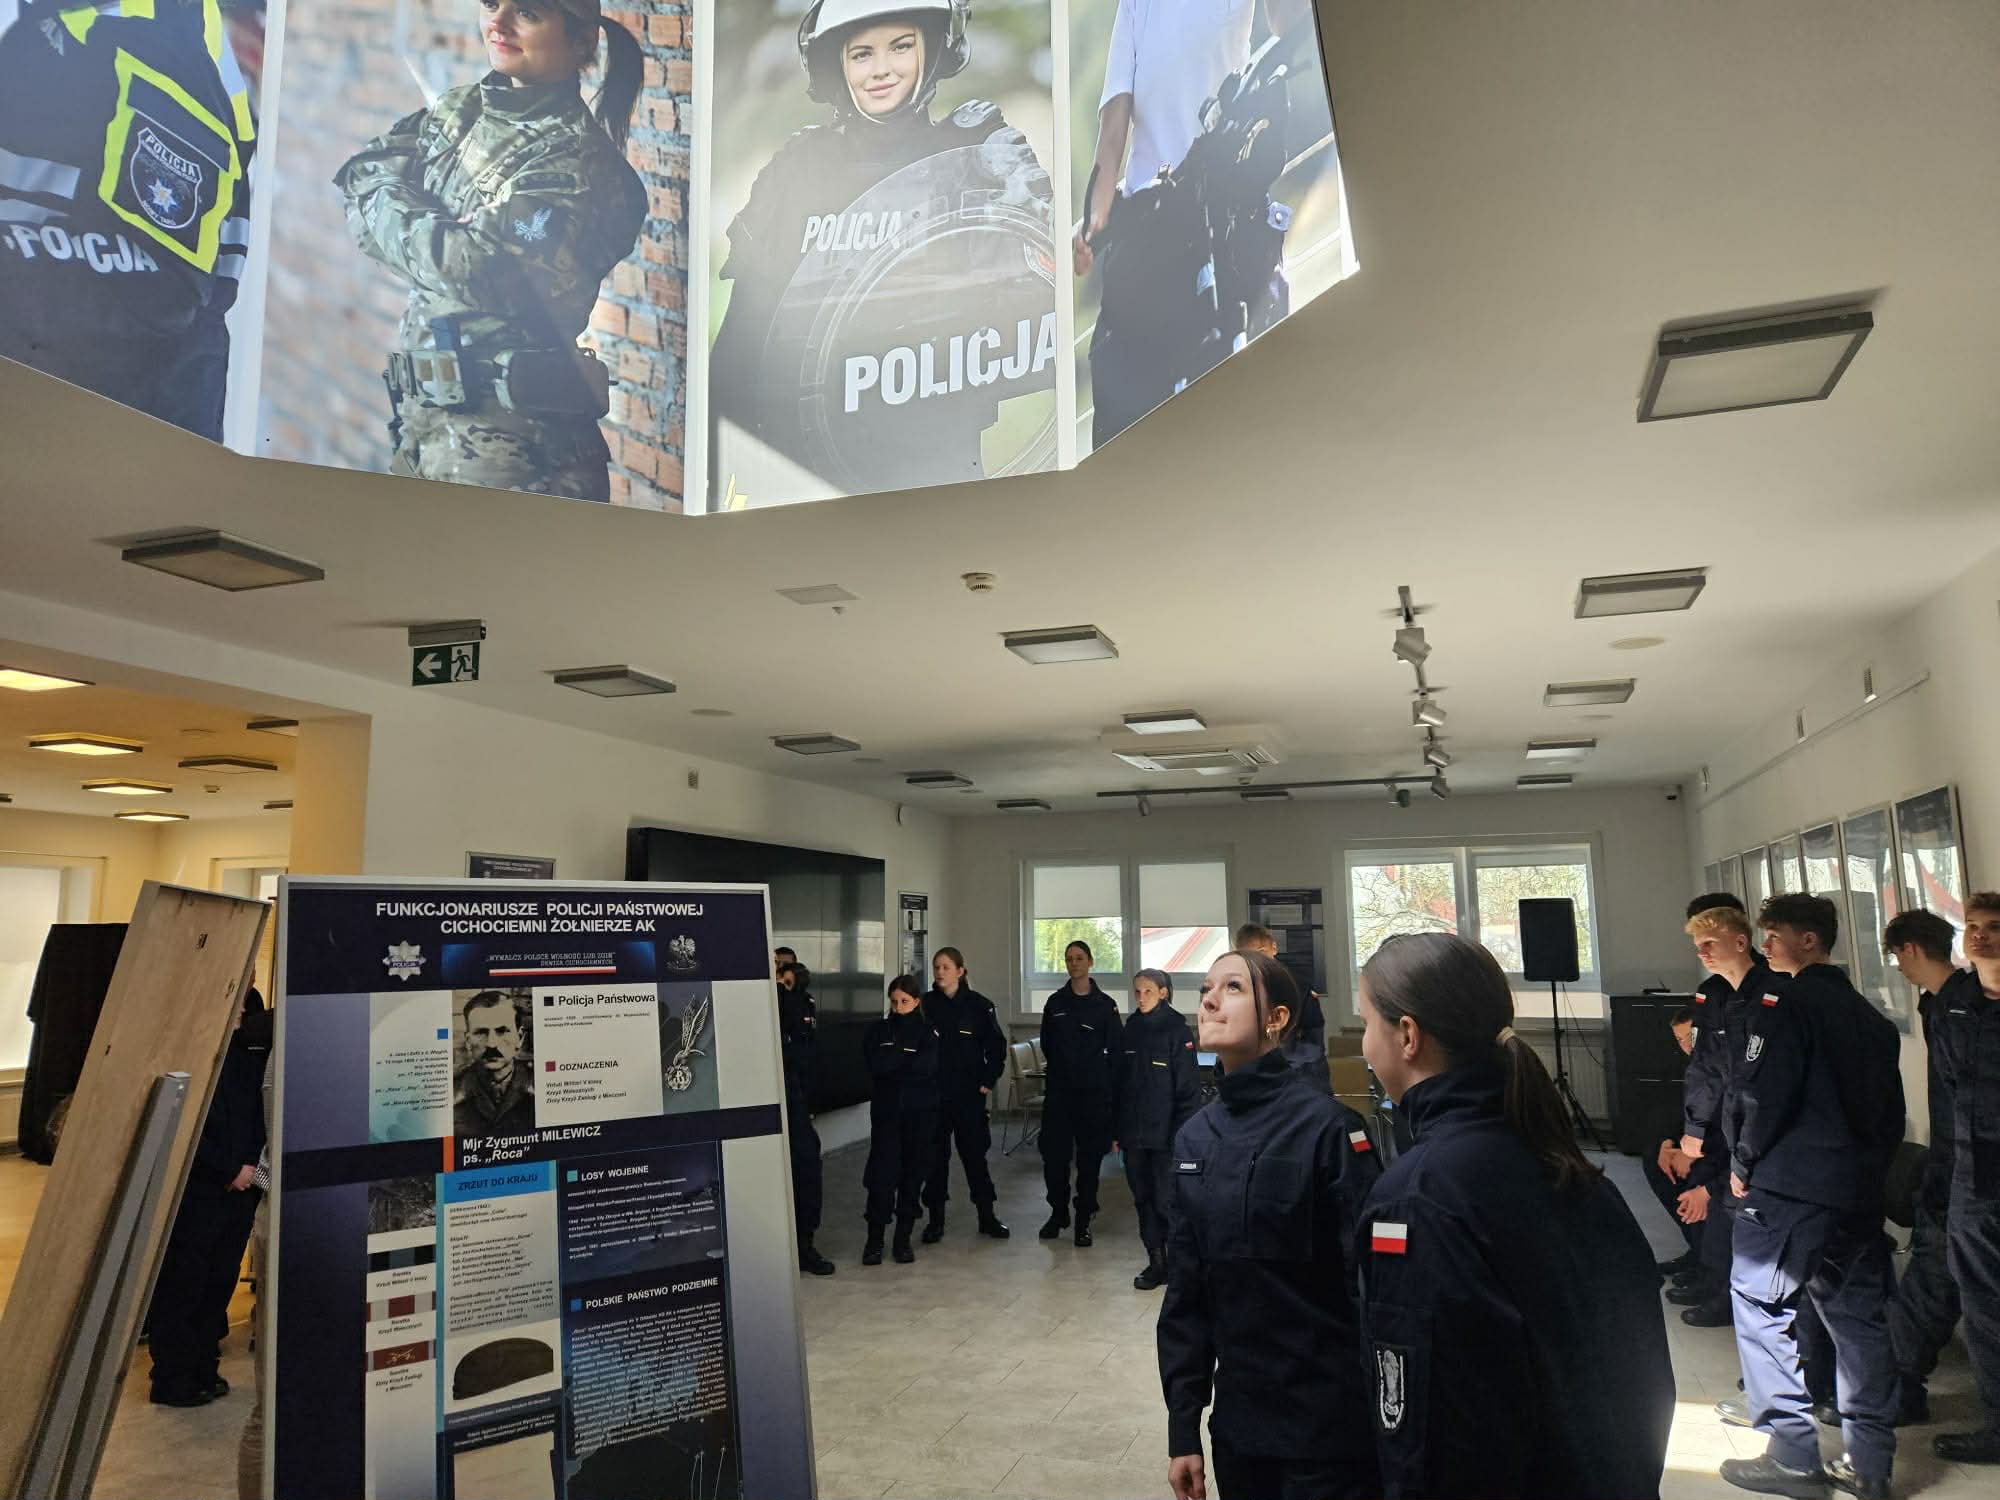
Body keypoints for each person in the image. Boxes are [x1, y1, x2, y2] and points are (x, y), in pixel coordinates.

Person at [1354, 933, 1674, 1499]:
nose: (1364, 1046)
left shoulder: (1416, 1200)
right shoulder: (1567, 1165)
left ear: (1407, 1035)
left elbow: (1432, 1430)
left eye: (1366, 1025)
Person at [708, 0, 1056, 499]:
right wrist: (717, 466)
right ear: (836, 64)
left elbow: (1031, 304)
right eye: (861, 54)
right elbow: (743, 333)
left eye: (901, 46)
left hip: (935, 471)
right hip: (801, 472)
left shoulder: (973, 155)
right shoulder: (797, 169)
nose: (881, 69)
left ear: (933, 49)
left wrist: (1020, 203)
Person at [335, 0, 647, 501]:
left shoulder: (579, 161)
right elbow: (359, 176)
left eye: (527, 13)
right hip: (422, 431)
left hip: (515, 452)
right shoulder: (459, 110)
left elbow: (473, 268)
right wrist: (434, 230)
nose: (497, 24)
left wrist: (400, 206)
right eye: (490, 4)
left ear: (582, 41)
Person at [1158, 950, 1378, 1499]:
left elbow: (1373, 1292)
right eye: (1206, 989)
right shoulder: (1195, 1139)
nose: (1209, 1001)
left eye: (1232, 987)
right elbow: (1187, 1293)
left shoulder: (1329, 1130)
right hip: (1241, 1430)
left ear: (1277, 1018)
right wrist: (1183, 1428)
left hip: (1328, 1432)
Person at [0, 0, 257, 439]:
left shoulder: (160, 36)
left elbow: (164, 292)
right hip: (100, 430)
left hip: (100, 436)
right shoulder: (55, 30)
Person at [1718, 894, 1903, 1500]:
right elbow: (1889, 1114)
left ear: (1809, 941)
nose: (1766, 946)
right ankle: (1870, 1465)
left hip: (1791, 1186)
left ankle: (1793, 1456)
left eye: (1775, 935)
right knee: (1858, 1323)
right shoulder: (1872, 1017)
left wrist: (1742, 1162)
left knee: (1760, 1308)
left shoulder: (1784, 1004)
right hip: (1855, 1190)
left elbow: (1763, 1095)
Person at [1073, 0, 1313, 446]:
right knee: (1127, 414)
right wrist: (1093, 223)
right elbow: (1112, 134)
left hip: (1222, 220)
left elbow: (1289, 22)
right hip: (1149, 237)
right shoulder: (1134, 8)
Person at [151, 986, 270, 1406]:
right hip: (198, 1191)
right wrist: (228, 1169)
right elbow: (184, 1128)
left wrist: (248, 1166)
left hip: (239, 1190)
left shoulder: (246, 1053)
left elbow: (258, 1115)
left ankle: (203, 1367)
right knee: (183, 1284)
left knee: (217, 1283)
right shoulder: (185, 1054)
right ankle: (173, 1378)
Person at [1673, 897, 1777, 1329]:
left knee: (1744, 1211)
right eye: (1698, 946)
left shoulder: (1772, 989)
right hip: (1726, 1117)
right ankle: (1718, 1284)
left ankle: (1741, 1299)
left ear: (1740, 942)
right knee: (1728, 1204)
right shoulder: (1711, 992)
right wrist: (1694, 1127)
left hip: (1762, 1119)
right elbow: (1704, 1065)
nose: (1703, 953)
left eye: (1710, 943)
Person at [1880, 909, 1964, 1426]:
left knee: (1933, 1279)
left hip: (1962, 1171)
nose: (1900, 968)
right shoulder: (1939, 1004)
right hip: (1952, 1164)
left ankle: (1900, 1388)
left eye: (1896, 957)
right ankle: (1900, 1386)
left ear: (1909, 949)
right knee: (1934, 1280)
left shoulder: (1962, 1008)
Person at [1931, 892, 2000, 1464]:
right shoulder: (1956, 1000)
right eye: (1972, 926)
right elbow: (1950, 1082)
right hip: (1974, 1176)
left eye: (1994, 927)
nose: (1979, 936)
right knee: (1983, 1306)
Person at [1114, 967, 1199, 1291]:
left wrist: (1180, 1135)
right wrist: (1117, 1131)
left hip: (1165, 1135)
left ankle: (1179, 1263)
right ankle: (1156, 1261)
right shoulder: (1132, 1028)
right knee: (1143, 1199)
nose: (1141, 997)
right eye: (1137, 991)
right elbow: (1120, 1084)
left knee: (1167, 1201)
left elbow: (1188, 1092)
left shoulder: (1177, 1030)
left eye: (1148, 991)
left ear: (1163, 993)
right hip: (1134, 1134)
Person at [920, 947, 1010, 1243]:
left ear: (960, 971)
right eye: (937, 967)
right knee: (934, 1160)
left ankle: (987, 1216)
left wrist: (988, 1080)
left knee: (974, 1156)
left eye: (946, 967)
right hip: (935, 1095)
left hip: (968, 1095)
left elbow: (995, 1047)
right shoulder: (926, 1005)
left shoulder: (979, 1006)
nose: (940, 972)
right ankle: (935, 1220)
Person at [1038, 939, 1121, 1245]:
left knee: (1089, 1161)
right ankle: (1058, 1212)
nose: (1074, 963)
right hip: (1060, 1094)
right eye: (1069, 958)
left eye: (1079, 958)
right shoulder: (1055, 1003)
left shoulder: (1105, 1005)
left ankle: (1083, 1218)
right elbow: (1047, 1043)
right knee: (1054, 1158)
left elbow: (1115, 1050)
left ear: (1090, 962)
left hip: (1092, 1095)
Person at [861, 974, 939, 1265]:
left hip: (920, 1115)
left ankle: (902, 1240)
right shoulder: (878, 1031)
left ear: (916, 1002)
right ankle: (874, 1241)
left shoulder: (928, 1032)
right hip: (887, 1116)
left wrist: (895, 1061)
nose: (898, 1007)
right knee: (881, 1178)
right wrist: (903, 1058)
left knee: (912, 1176)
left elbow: (925, 1068)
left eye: (904, 1002)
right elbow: (876, 1066)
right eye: (894, 1002)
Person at [777, 961, 835, 1275]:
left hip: (795, 1096)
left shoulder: (802, 1004)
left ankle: (804, 1243)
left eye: (788, 982)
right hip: (763, 1099)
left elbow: (806, 1048)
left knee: (807, 1166)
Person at [1235, 921, 1329, 1091]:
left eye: (1261, 952)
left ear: (1274, 948)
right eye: (1249, 955)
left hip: (1299, 1073)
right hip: (1253, 1075)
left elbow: (1313, 1036)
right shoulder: (1235, 990)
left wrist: (1289, 1064)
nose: (1257, 960)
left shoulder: (1297, 985)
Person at [454, 989, 535, 1137]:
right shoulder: (451, 1092)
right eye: (481, 1032)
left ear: (520, 1038)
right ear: (468, 1041)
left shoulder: (539, 1086)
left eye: (502, 1031)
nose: (491, 1044)